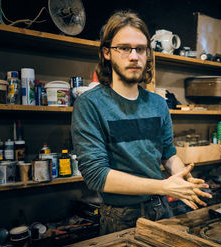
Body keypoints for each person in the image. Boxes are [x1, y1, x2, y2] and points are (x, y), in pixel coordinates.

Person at [71, 10, 212, 235]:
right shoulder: (90, 104)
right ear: (107, 52)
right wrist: (164, 186)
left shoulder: (158, 103)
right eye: (124, 48)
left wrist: (183, 180)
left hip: (162, 209)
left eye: (141, 49)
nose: (134, 56)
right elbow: (97, 175)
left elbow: (168, 154)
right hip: (120, 215)